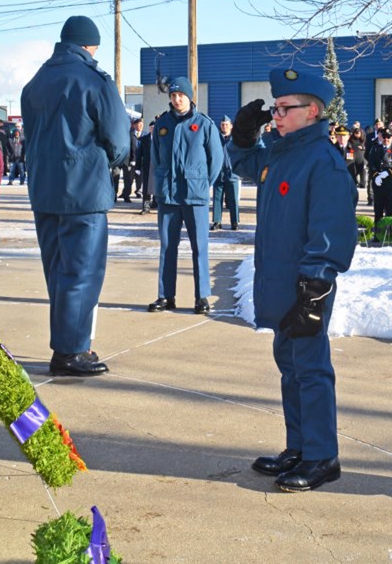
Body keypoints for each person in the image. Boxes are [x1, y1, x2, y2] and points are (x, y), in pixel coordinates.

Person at [228, 68, 357, 493]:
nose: (276, 116)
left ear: (313, 111)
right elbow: (244, 163)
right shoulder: (281, 152)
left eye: (285, 108)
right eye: (275, 108)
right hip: (280, 281)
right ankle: (299, 446)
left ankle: (322, 455)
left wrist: (315, 288)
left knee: (311, 368)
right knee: (290, 366)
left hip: (306, 284)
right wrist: (244, 134)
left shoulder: (324, 162)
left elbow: (330, 231)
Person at [21, 14, 130, 377]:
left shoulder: (35, 82)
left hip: (44, 189)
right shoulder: (94, 80)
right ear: (90, 45)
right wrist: (108, 162)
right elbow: (118, 138)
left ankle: (67, 342)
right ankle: (71, 351)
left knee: (57, 271)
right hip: (84, 190)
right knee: (82, 272)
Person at [147, 76, 223, 315]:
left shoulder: (204, 124)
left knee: (199, 246)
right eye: (173, 95)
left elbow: (216, 159)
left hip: (195, 196)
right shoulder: (163, 124)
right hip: (168, 196)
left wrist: (201, 183)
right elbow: (156, 157)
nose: (177, 99)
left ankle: (201, 297)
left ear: (190, 97)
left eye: (181, 95)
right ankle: (165, 296)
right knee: (167, 247)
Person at [210, 115, 240, 230]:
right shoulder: (216, 138)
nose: (224, 127)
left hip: (232, 173)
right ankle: (217, 221)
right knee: (217, 199)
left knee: (233, 199)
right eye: (223, 125)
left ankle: (235, 222)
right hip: (219, 172)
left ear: (231, 126)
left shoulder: (236, 138)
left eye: (227, 124)